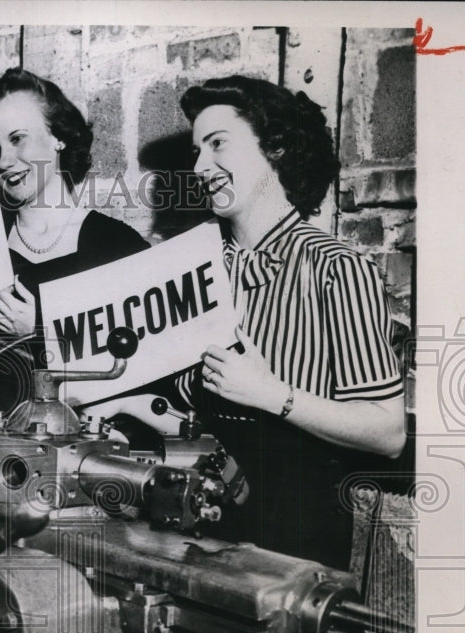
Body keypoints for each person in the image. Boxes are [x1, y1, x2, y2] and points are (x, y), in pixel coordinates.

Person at [173, 75, 405, 569]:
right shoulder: (196, 269)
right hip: (199, 521)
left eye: (217, 144)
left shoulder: (335, 268)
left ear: (274, 147)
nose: (199, 166)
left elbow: (388, 434)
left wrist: (271, 394)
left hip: (298, 535)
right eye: (196, 151)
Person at [0, 67, 149, 417]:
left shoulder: (117, 248)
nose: (4, 162)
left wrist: (42, 332)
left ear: (58, 137)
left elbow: (149, 364)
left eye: (17, 139)